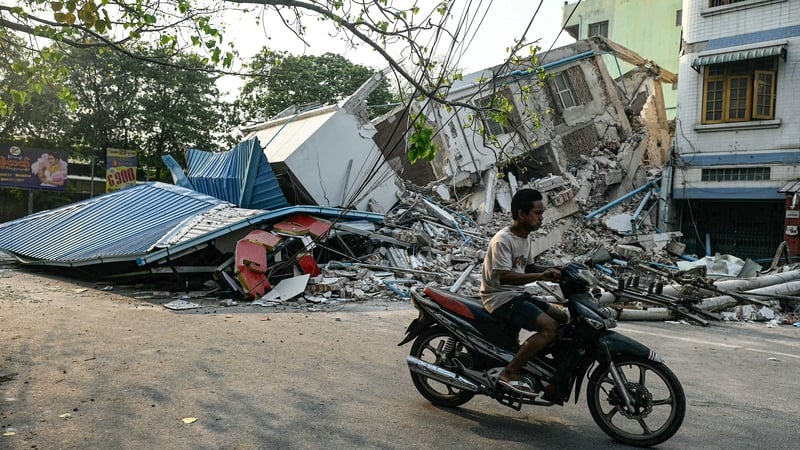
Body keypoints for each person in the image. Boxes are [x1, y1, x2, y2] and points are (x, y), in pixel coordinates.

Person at [480, 188, 568, 397]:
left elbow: (528, 268)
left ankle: (538, 364)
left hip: (516, 295)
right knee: (549, 327)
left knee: (562, 317)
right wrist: (541, 276)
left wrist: (559, 270)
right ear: (521, 214)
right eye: (537, 213)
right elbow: (505, 277)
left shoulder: (524, 237)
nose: (541, 217)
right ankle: (510, 372)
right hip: (499, 297)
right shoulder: (503, 240)